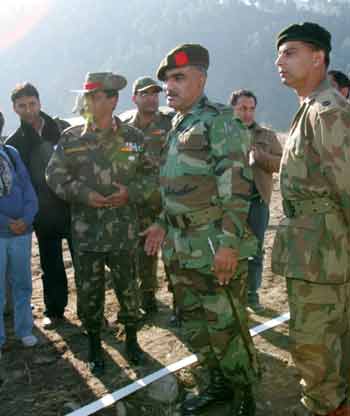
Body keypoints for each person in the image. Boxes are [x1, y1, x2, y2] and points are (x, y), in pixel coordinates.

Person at [143, 44, 259, 415]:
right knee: (194, 323)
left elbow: (237, 189)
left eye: (178, 78)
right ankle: (217, 385)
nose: (170, 87)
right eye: (167, 81)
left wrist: (229, 245)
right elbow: (173, 185)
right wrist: (162, 223)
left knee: (225, 323)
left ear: (201, 79)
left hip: (212, 243)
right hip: (179, 246)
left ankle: (244, 397)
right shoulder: (178, 123)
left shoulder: (220, 120)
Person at [46, 72, 158, 375]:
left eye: (96, 97)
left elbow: (151, 175)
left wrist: (131, 193)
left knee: (128, 290)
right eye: (88, 96)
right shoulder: (71, 138)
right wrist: (83, 194)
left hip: (124, 231)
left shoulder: (134, 138)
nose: (89, 102)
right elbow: (54, 176)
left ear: (112, 99)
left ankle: (132, 339)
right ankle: (95, 342)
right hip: (87, 234)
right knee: (89, 293)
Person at [272, 22, 350, 416]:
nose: (278, 61)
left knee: (317, 350)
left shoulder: (327, 111)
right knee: (326, 350)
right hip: (315, 252)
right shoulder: (309, 109)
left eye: (290, 53)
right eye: (279, 54)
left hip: (325, 255)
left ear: (318, 58)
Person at [6, 83, 73, 328]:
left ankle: (91, 311)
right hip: (42, 213)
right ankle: (55, 312)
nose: (28, 110)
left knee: (84, 261)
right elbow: (17, 184)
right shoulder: (15, 144)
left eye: (32, 104)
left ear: (39, 102)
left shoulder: (63, 129)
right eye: (22, 106)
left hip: (73, 206)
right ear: (14, 109)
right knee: (51, 263)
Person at [122, 76, 173, 316]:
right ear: (135, 98)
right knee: (144, 252)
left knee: (174, 253)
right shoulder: (125, 128)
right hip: (139, 203)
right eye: (145, 94)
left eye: (155, 94)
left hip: (169, 200)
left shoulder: (171, 122)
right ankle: (148, 297)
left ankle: (181, 303)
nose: (151, 98)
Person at [230, 89, 282, 313]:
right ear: (233, 108)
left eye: (251, 108)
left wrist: (261, 157)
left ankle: (252, 294)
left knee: (256, 250)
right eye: (242, 108)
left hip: (257, 202)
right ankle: (232, 294)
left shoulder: (266, 135)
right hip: (230, 204)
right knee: (230, 249)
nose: (247, 113)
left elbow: (281, 164)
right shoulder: (224, 134)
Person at [0, 140, 38, 353]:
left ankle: (24, 330)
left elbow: (27, 187)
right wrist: (7, 222)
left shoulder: (11, 152)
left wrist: (27, 217)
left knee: (22, 283)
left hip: (22, 232)